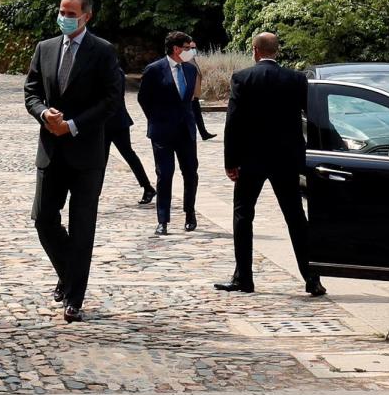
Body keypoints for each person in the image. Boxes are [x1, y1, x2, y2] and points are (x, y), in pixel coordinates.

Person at [24, 0, 120, 323]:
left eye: (71, 13)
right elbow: (31, 90)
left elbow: (111, 100)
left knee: (82, 227)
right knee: (43, 219)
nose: (64, 17)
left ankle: (74, 298)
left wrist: (74, 125)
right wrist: (42, 114)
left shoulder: (103, 52)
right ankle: (69, 274)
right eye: (62, 11)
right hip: (50, 151)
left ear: (86, 16)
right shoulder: (45, 48)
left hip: (86, 155)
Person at [214, 33, 327, 297]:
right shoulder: (296, 79)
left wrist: (230, 161)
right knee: (296, 217)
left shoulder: (242, 78)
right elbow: (313, 117)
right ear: (277, 51)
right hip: (286, 159)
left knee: (243, 215)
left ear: (255, 50)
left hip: (251, 159)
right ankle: (312, 278)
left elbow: (233, 121)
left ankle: (244, 277)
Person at [137, 31, 201, 235]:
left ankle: (190, 212)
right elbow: (143, 98)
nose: (191, 52)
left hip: (185, 130)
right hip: (162, 131)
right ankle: (162, 220)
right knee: (164, 174)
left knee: (190, 173)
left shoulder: (191, 70)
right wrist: (156, 119)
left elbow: (191, 99)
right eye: (187, 48)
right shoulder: (154, 70)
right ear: (176, 49)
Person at [106, 69, 156, 205]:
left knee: (128, 155)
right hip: (105, 123)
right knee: (100, 160)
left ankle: (147, 187)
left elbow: (114, 97)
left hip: (116, 122)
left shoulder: (115, 72)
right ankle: (92, 195)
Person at [186, 40, 217, 141]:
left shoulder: (191, 60)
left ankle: (203, 133)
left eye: (194, 48)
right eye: (192, 48)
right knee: (191, 115)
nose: (194, 50)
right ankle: (198, 133)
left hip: (195, 94)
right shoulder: (186, 61)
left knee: (197, 114)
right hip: (190, 94)